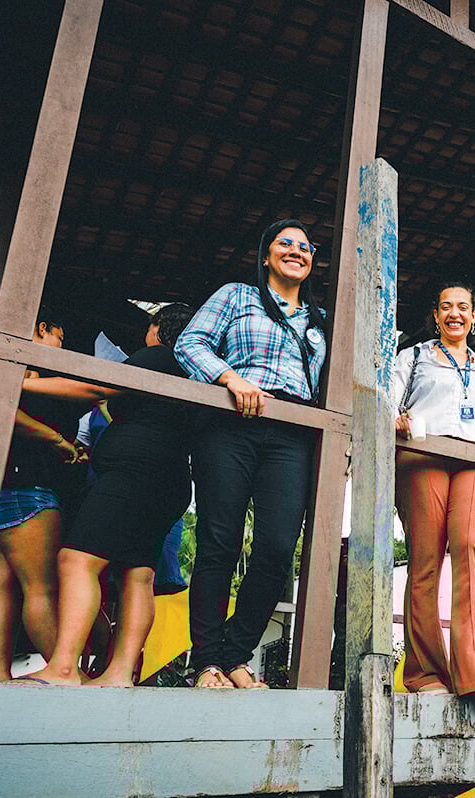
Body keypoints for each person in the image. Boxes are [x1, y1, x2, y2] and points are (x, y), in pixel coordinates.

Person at [175, 219, 327, 689]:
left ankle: (238, 655)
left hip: (292, 434)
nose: (296, 251)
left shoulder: (320, 322)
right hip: (231, 425)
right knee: (220, 541)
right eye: (285, 244)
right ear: (266, 255)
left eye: (305, 247)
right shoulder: (237, 295)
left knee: (279, 548)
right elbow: (189, 344)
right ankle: (207, 663)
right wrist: (232, 379)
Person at [16, 304, 195, 686]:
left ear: (158, 326)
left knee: (76, 561)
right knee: (137, 574)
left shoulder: (159, 354)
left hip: (133, 475)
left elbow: (97, 385)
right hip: (169, 479)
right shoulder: (192, 366)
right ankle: (118, 675)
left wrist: (17, 380)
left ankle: (63, 668)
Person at [391, 281, 475, 702]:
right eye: (446, 307)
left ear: (474, 317)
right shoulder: (414, 356)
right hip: (424, 457)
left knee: (471, 546)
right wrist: (397, 419)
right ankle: (424, 673)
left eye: (463, 307)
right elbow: (384, 402)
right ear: (436, 316)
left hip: (474, 460)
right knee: (425, 559)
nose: (454, 313)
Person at [0, 318, 78, 681]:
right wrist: (58, 440)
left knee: (3, 587)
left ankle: (0, 675)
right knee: (41, 589)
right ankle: (68, 674)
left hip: (5, 485)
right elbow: (5, 413)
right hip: (25, 488)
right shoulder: (13, 365)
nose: (62, 342)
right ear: (43, 328)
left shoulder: (20, 372)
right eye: (61, 335)